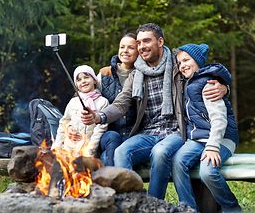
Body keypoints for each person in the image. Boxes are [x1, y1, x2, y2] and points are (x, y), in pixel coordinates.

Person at [81, 23, 227, 200]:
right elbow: (121, 103)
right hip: (149, 132)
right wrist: (98, 116)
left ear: (160, 41)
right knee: (121, 151)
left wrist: (224, 85)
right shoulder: (137, 74)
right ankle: (132, 202)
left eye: (147, 41)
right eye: (139, 42)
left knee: (160, 152)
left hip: (176, 131)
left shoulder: (176, 63)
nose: (142, 46)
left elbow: (204, 70)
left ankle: (153, 203)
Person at [172, 43, 241, 212]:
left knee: (207, 172)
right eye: (180, 63)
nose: (183, 65)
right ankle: (188, 208)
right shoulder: (187, 83)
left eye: (186, 60)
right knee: (177, 161)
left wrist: (212, 147)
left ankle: (232, 208)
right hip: (197, 139)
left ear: (198, 60)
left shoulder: (209, 84)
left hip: (221, 139)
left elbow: (219, 119)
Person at [97, 33, 138, 166]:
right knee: (107, 155)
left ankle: (116, 184)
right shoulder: (105, 73)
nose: (125, 51)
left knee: (112, 157)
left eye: (130, 48)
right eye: (122, 47)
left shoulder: (143, 75)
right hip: (109, 135)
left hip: (133, 134)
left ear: (139, 50)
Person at [52, 65, 109, 157]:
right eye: (79, 80)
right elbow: (64, 122)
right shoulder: (73, 101)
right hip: (69, 148)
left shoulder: (103, 102)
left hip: (87, 149)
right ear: (76, 85)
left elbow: (101, 129)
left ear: (94, 80)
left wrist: (90, 151)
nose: (83, 81)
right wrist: (57, 146)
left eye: (86, 77)